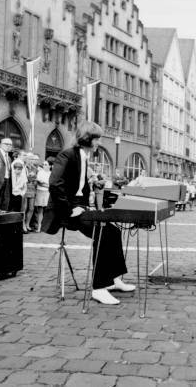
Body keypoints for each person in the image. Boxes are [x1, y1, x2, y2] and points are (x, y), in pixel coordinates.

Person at [41, 121, 135, 305]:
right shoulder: (67, 155)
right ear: (88, 139)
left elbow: (79, 189)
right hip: (64, 211)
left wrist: (86, 207)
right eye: (97, 139)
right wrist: (70, 209)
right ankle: (99, 288)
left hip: (79, 208)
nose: (99, 143)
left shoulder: (83, 157)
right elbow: (55, 184)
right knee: (103, 234)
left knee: (113, 231)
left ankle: (114, 280)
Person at [34, 157, 54, 232]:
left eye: (46, 164)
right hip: (40, 191)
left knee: (47, 210)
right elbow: (39, 182)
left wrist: (46, 185)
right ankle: (39, 227)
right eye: (43, 164)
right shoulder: (40, 172)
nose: (44, 166)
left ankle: (46, 227)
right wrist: (47, 185)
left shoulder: (51, 174)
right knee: (40, 210)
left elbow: (51, 184)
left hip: (48, 193)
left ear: (50, 166)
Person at [22, 155, 38, 232]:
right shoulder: (24, 167)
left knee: (31, 208)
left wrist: (33, 179)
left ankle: (27, 224)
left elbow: (36, 179)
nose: (31, 160)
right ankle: (23, 225)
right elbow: (25, 178)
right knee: (24, 208)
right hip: (25, 189)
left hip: (32, 189)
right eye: (29, 159)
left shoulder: (35, 169)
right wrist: (30, 178)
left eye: (32, 159)